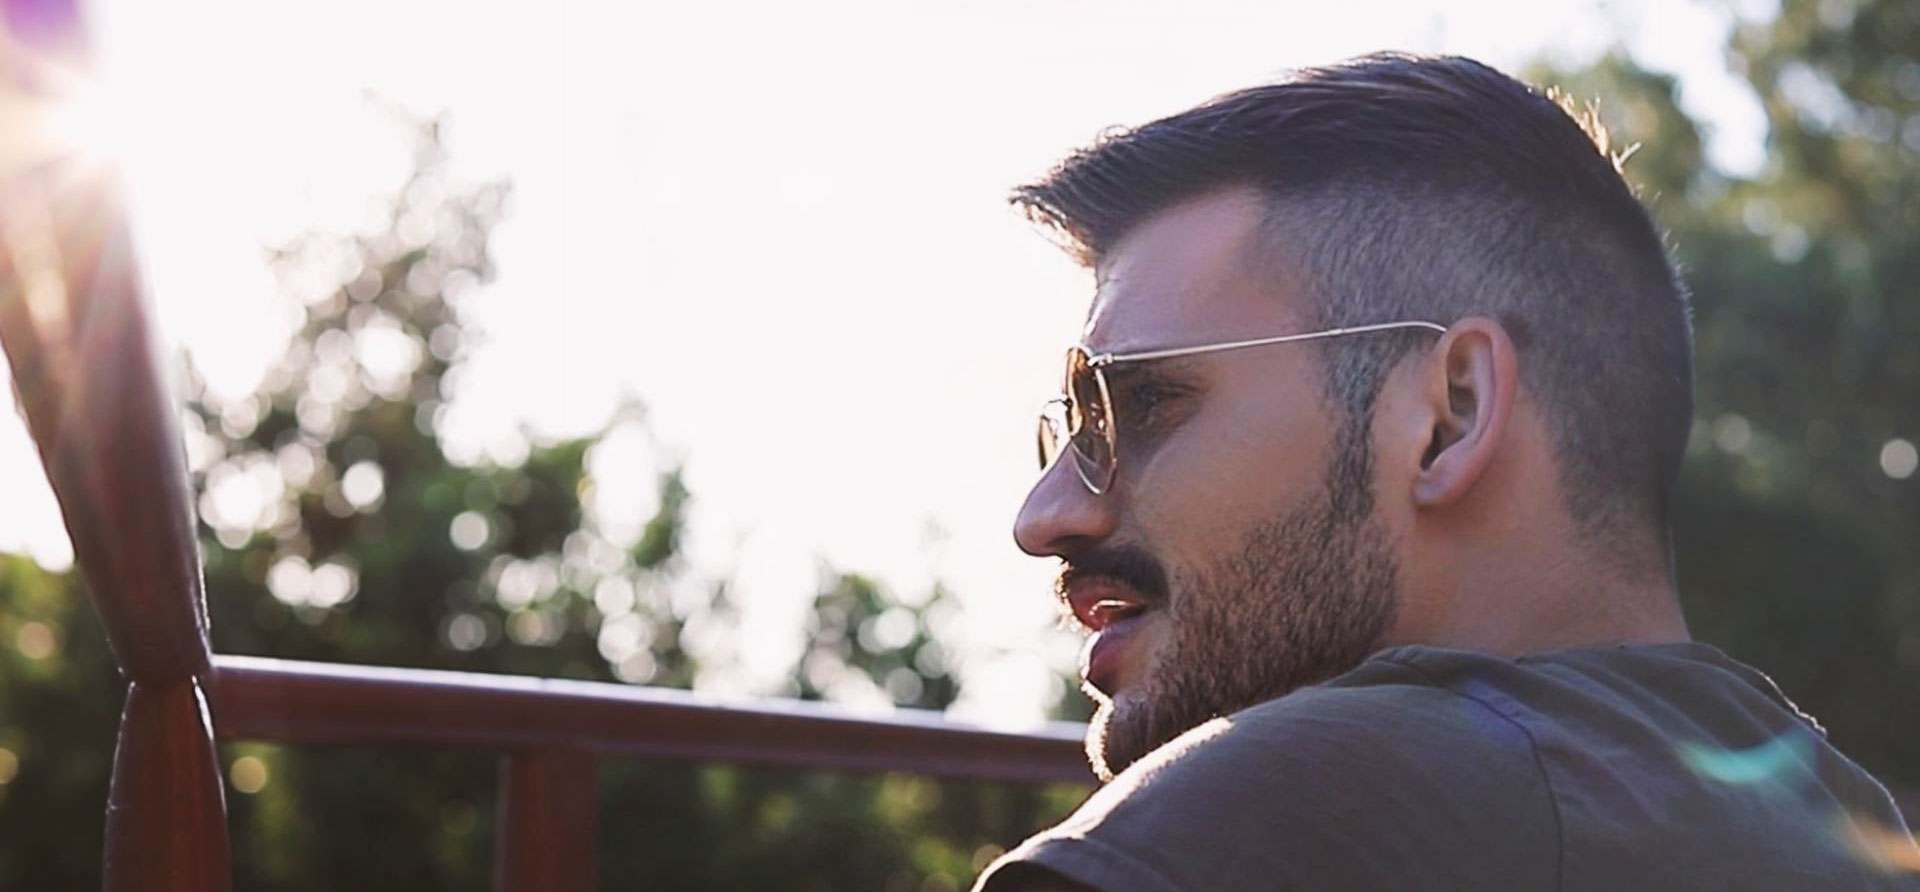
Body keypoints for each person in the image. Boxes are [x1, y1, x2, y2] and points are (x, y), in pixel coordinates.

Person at [973, 53, 1918, 891]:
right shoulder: (1849, 826)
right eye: (1070, 431)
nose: (1045, 515)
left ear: (1450, 414)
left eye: (1141, 403)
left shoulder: (1280, 808)